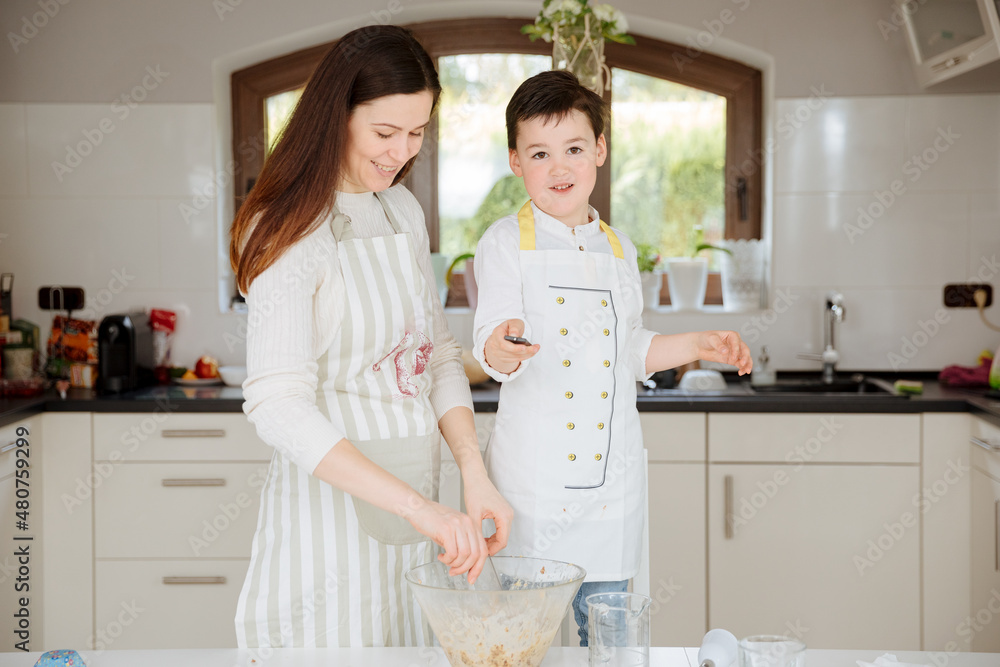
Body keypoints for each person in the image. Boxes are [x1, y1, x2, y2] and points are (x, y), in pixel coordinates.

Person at [228, 25, 512, 649]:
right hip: (330, 526)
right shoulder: (284, 229)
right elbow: (277, 404)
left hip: (421, 515)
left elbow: (435, 354)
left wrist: (473, 472)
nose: (401, 152)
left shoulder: (402, 211)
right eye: (385, 133)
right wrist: (417, 507)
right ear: (336, 116)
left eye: (416, 134)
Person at [472, 69, 753, 645]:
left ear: (599, 150)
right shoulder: (504, 243)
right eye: (540, 152)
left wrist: (697, 345)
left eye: (574, 149)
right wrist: (500, 346)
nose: (559, 168)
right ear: (515, 161)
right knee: (525, 648)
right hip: (533, 495)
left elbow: (630, 351)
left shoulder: (620, 247)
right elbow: (491, 340)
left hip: (609, 493)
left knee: (615, 647)